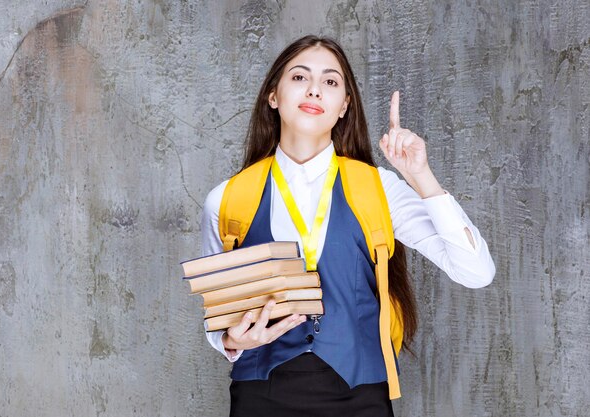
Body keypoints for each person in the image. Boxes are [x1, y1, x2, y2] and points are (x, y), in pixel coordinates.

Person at [200, 35, 495, 417]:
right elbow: (217, 316)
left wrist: (421, 177)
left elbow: (477, 272)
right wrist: (229, 339)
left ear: (344, 107)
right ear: (273, 96)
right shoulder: (226, 199)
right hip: (260, 396)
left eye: (331, 82)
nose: (314, 90)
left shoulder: (379, 188)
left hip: (361, 397)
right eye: (299, 77)